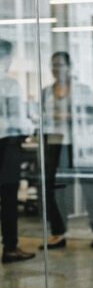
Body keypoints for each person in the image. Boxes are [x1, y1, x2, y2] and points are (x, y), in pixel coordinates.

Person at [40, 51, 93, 249]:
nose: (56, 69)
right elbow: (42, 118)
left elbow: (92, 117)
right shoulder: (46, 91)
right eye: (53, 65)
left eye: (60, 65)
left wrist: (65, 116)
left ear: (70, 67)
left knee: (89, 187)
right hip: (56, 143)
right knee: (57, 189)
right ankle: (58, 233)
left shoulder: (83, 90)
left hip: (81, 144)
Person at [0, 39, 34, 263]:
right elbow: (16, 118)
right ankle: (10, 247)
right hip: (7, 143)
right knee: (9, 197)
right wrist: (30, 127)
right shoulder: (9, 84)